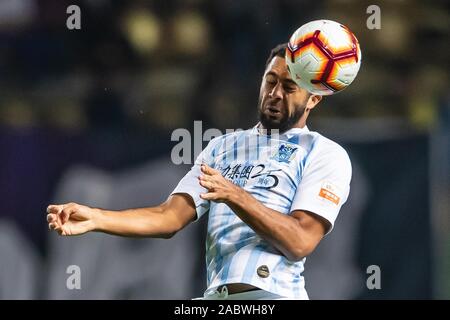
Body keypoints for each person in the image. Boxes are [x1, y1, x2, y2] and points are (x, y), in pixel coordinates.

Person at [47, 43, 352, 300]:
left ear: (313, 98)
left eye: (289, 87)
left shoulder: (325, 154)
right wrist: (97, 218)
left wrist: (235, 195)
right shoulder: (222, 147)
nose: (275, 93)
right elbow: (169, 217)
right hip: (217, 297)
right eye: (270, 81)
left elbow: (300, 242)